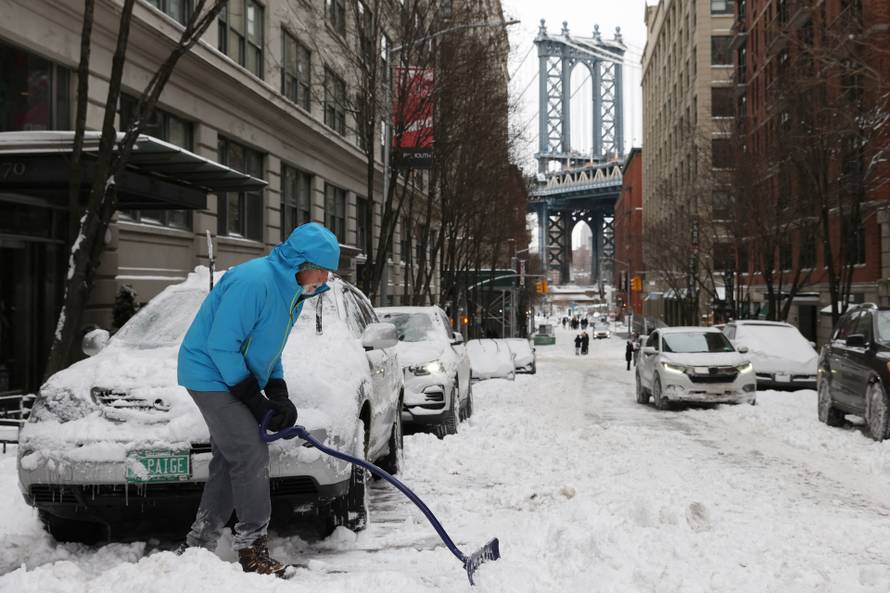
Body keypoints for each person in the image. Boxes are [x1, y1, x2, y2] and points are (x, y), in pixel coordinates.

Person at [177, 222, 340, 578]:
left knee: (229, 458)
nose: (326, 278)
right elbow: (221, 344)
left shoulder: (294, 292)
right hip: (208, 373)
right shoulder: (254, 282)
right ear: (302, 261)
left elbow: (269, 348)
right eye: (324, 268)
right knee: (250, 452)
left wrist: (277, 391)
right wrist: (253, 398)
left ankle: (199, 543)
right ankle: (252, 548)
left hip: (230, 372)